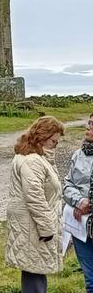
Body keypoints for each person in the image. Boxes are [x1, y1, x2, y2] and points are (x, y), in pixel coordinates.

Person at [5, 116, 64, 293]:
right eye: (53, 141)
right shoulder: (32, 161)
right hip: (33, 227)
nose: (55, 145)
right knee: (34, 274)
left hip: (31, 225)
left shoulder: (34, 157)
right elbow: (35, 197)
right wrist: (47, 228)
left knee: (35, 271)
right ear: (43, 137)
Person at [63, 113, 93, 292]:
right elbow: (67, 185)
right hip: (81, 225)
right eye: (88, 123)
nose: (87, 127)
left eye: (92, 125)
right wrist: (79, 201)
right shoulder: (78, 154)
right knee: (91, 280)